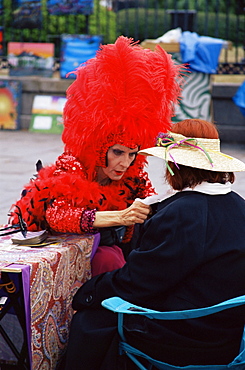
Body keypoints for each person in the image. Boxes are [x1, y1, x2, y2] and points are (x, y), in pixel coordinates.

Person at [63, 118, 245, 369]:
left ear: (175, 166)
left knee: (90, 321)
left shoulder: (183, 213)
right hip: (230, 330)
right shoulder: (238, 205)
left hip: (189, 335)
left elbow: (139, 283)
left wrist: (87, 293)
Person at [8, 36, 182, 276]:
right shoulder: (72, 166)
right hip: (56, 252)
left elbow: (151, 206)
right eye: (118, 152)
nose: (125, 162)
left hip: (107, 251)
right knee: (109, 260)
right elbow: (58, 215)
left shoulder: (133, 176)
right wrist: (121, 216)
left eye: (133, 154)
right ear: (100, 148)